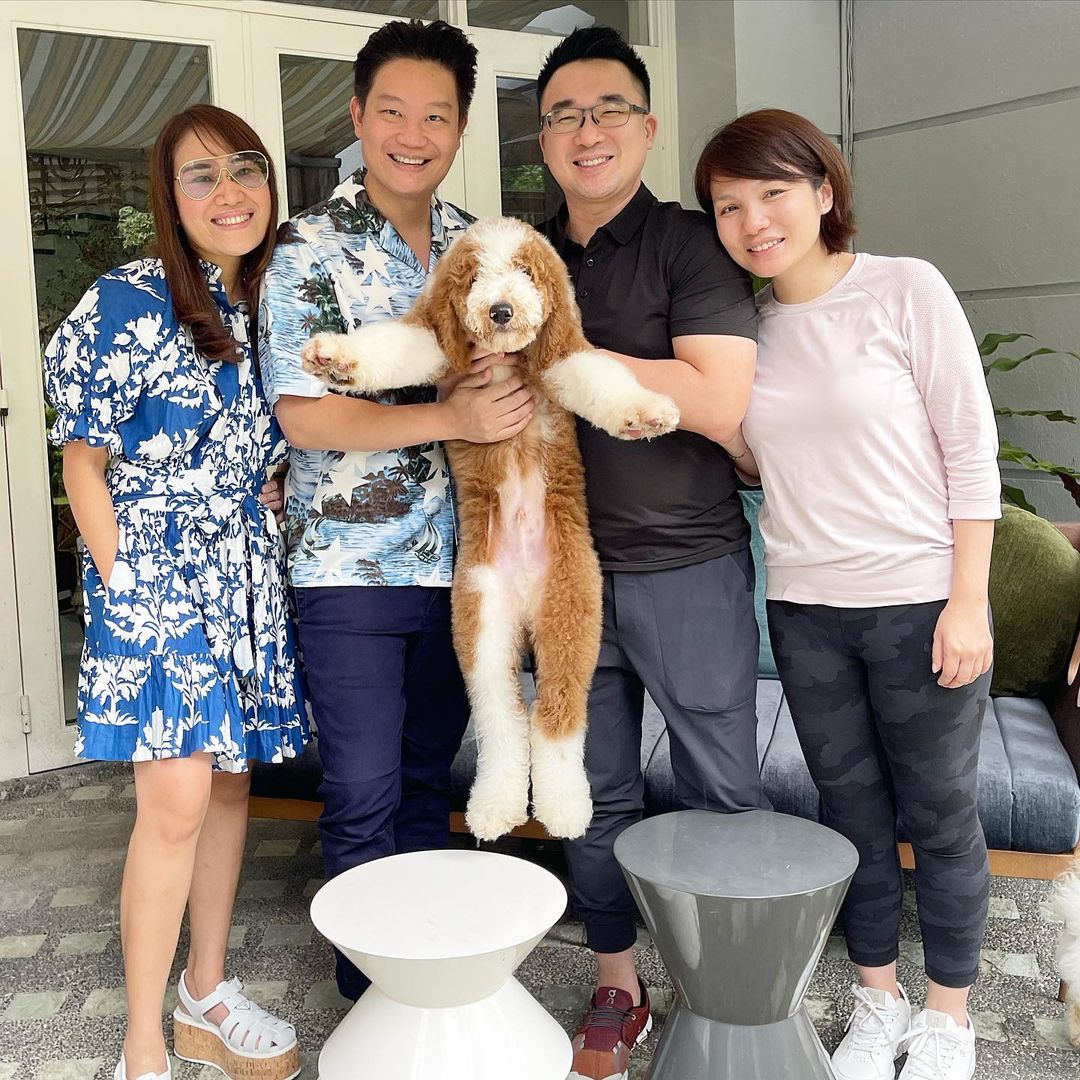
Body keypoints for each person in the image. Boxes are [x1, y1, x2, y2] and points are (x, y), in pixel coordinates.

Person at [696, 108, 999, 1080]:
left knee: (940, 813)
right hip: (805, 610)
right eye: (728, 206)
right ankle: (877, 1000)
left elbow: (971, 449)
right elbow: (762, 463)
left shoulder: (905, 289)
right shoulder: (749, 329)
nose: (753, 221)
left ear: (824, 191)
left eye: (773, 193)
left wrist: (968, 601)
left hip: (919, 603)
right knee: (850, 814)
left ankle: (947, 1017)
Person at [259, 19, 533, 1002]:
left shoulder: (482, 247)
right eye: (392, 112)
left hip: (464, 571)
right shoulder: (306, 247)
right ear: (357, 115)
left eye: (436, 117)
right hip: (349, 570)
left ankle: (421, 989)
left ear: (460, 127)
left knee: (426, 784)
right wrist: (448, 414)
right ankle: (370, 998)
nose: (412, 135)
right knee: (364, 791)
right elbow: (303, 413)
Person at [44, 105, 308, 1080]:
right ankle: (143, 1049)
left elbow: (279, 435)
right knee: (177, 797)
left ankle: (205, 992)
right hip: (152, 566)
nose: (229, 192)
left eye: (246, 168)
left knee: (230, 782)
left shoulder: (273, 301)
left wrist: (272, 486)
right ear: (170, 196)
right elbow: (81, 464)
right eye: (202, 175)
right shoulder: (127, 298)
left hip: (243, 564)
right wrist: (125, 588)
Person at [534, 27, 769, 1080]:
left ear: (647, 127)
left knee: (722, 787)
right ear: (542, 138)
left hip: (687, 567)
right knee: (589, 793)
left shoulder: (689, 244)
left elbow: (717, 399)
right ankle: (618, 986)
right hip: (566, 575)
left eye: (608, 110)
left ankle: (728, 993)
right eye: (564, 115)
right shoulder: (525, 257)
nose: (587, 132)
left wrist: (567, 352)